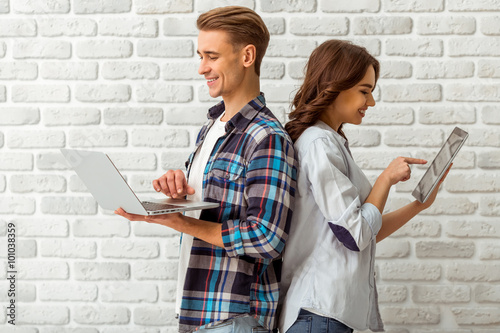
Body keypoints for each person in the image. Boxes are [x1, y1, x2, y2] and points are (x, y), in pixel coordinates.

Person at [115, 6, 297, 333]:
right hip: (198, 306)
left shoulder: (267, 137)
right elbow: (215, 206)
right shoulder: (211, 127)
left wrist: (182, 223)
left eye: (211, 56)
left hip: (235, 314)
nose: (202, 68)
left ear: (247, 56)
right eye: (200, 56)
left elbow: (267, 238)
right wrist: (180, 190)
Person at [278, 39, 451, 333]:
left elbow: (364, 234)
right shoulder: (319, 143)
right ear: (334, 87)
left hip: (326, 314)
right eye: (365, 91)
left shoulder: (330, 142)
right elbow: (355, 233)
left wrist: (419, 205)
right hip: (318, 311)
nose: (371, 103)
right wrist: (386, 179)